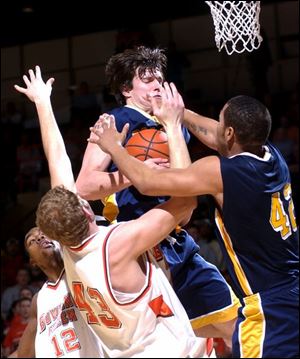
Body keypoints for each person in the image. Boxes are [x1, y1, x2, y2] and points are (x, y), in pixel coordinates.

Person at [14, 66, 210, 357]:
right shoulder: (120, 242)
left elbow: (58, 161)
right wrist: (169, 128)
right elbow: (186, 202)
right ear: (87, 210)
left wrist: (43, 104)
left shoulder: (70, 256)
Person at [91, 94, 299, 358]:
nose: (217, 125)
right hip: (291, 290)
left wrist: (114, 147)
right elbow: (217, 134)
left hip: (269, 309)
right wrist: (177, 112)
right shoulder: (270, 155)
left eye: (221, 121)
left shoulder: (223, 172)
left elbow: (147, 181)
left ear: (231, 132)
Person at [76, 46, 239, 342]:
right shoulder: (114, 120)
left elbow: (226, 140)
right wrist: (134, 172)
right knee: (159, 342)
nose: (156, 85)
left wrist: (179, 113)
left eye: (159, 79)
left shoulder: (171, 120)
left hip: (176, 239)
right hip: (136, 246)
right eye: (147, 80)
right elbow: (84, 186)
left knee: (234, 326)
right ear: (127, 88)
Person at [12, 227, 104, 358]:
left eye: (45, 233)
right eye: (32, 241)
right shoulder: (38, 301)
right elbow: (23, 354)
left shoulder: (84, 268)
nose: (39, 238)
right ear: (32, 261)